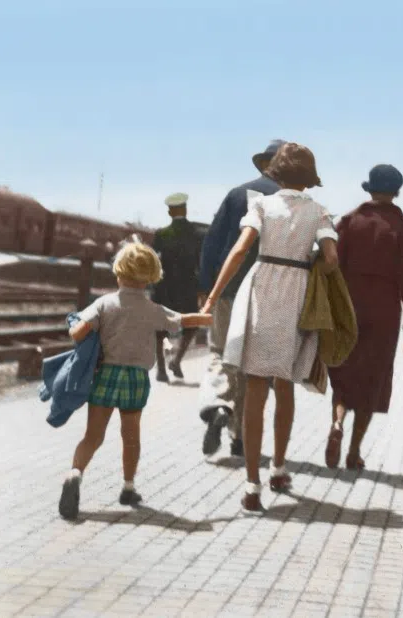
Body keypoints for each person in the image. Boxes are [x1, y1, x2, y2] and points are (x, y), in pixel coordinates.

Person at [201, 143, 337, 511]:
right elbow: (331, 258)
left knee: (256, 388)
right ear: (309, 176)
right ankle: (278, 467)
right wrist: (309, 264)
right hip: (296, 296)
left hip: (261, 292)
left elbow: (238, 252)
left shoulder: (261, 205)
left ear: (276, 171)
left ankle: (251, 485)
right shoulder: (319, 212)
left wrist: (213, 297)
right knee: (285, 384)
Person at [58, 242, 212, 520]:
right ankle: (128, 488)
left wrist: (76, 327)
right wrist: (206, 318)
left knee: (93, 436)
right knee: (130, 437)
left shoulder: (104, 303)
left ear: (119, 273)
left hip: (105, 375)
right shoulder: (152, 309)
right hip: (135, 380)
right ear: (151, 276)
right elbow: (181, 321)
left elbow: (78, 333)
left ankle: (75, 474)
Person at [326, 164, 403, 471]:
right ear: (396, 192)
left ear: (369, 188)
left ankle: (337, 423)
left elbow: (332, 265)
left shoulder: (349, 221)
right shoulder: (401, 229)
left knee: (343, 373)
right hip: (384, 314)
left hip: (348, 308)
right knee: (371, 380)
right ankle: (354, 452)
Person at [197, 140, 286, 458]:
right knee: (251, 365)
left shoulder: (236, 194)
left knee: (221, 352)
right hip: (268, 294)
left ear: (263, 164)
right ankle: (240, 438)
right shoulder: (292, 202)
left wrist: (205, 286)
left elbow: (212, 242)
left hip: (229, 288)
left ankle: (218, 404)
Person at [151, 192, 203, 382]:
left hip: (164, 287)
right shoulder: (197, 233)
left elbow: (154, 260)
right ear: (186, 209)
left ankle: (161, 369)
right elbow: (201, 263)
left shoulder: (161, 234)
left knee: (159, 327)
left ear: (170, 212)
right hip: (188, 286)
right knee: (192, 325)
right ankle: (177, 360)